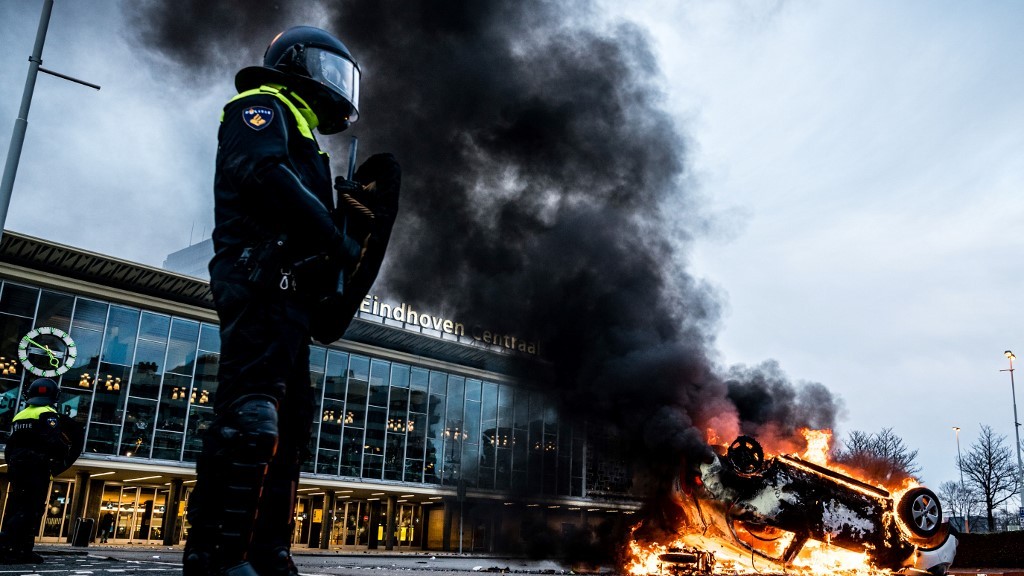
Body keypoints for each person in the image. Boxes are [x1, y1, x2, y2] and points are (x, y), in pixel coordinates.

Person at [183, 25, 400, 576]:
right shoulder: (259, 106)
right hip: (257, 281)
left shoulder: (303, 134)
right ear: (297, 63)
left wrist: (351, 219)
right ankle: (217, 557)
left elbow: (299, 209)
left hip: (291, 297)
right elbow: (262, 172)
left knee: (289, 427)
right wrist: (334, 232)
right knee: (250, 416)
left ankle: (268, 552)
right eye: (329, 70)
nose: (337, 85)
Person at [0, 378, 83, 564]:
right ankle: (6, 544)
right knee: (32, 509)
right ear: (54, 396)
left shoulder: (20, 415)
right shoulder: (47, 413)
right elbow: (53, 441)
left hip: (17, 465)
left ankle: (21, 550)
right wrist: (62, 456)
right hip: (36, 466)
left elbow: (11, 445)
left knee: (17, 507)